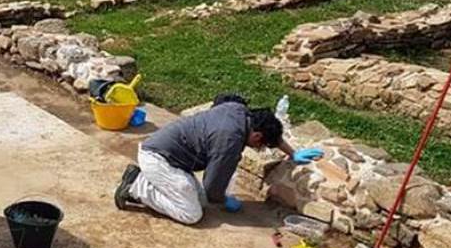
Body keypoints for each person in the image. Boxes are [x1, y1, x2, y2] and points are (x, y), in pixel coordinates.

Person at [114, 94, 323, 225]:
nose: (260, 149)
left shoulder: (238, 110)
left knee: (199, 201)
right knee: (192, 214)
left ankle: (149, 181)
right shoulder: (229, 141)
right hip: (158, 159)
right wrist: (223, 200)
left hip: (171, 157)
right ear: (257, 136)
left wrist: (291, 153)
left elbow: (266, 128)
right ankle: (136, 187)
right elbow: (212, 188)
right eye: (262, 145)